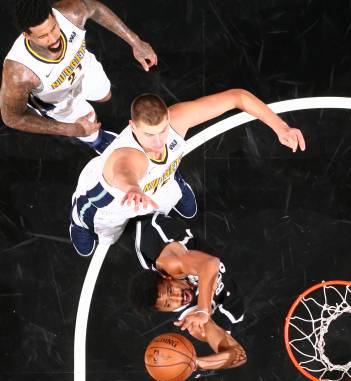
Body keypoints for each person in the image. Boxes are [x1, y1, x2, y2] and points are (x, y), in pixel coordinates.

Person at [69, 89, 306, 256]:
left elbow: (237, 97)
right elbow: (124, 171)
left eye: (162, 131)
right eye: (149, 135)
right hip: (112, 200)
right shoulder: (130, 156)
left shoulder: (177, 120)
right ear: (132, 126)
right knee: (105, 239)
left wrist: (280, 126)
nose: (158, 141)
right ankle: (79, 221)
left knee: (174, 193)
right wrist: (131, 187)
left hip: (156, 186)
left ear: (167, 119)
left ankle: (173, 180)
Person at [0, 0, 157, 153]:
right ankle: (97, 140)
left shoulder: (70, 14)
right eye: (43, 36)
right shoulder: (19, 72)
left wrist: (136, 42)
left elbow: (96, 9)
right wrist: (71, 129)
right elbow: (12, 118)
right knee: (87, 128)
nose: (54, 39)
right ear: (27, 36)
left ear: (54, 16)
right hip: (59, 100)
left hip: (84, 70)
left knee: (105, 95)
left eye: (53, 28)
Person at [129, 212, 246, 381]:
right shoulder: (194, 319)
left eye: (170, 291)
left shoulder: (171, 264)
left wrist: (203, 308)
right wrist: (195, 363)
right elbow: (239, 355)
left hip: (154, 225)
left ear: (166, 277)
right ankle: (181, 380)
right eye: (169, 304)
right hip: (230, 301)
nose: (177, 298)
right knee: (229, 325)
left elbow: (211, 264)